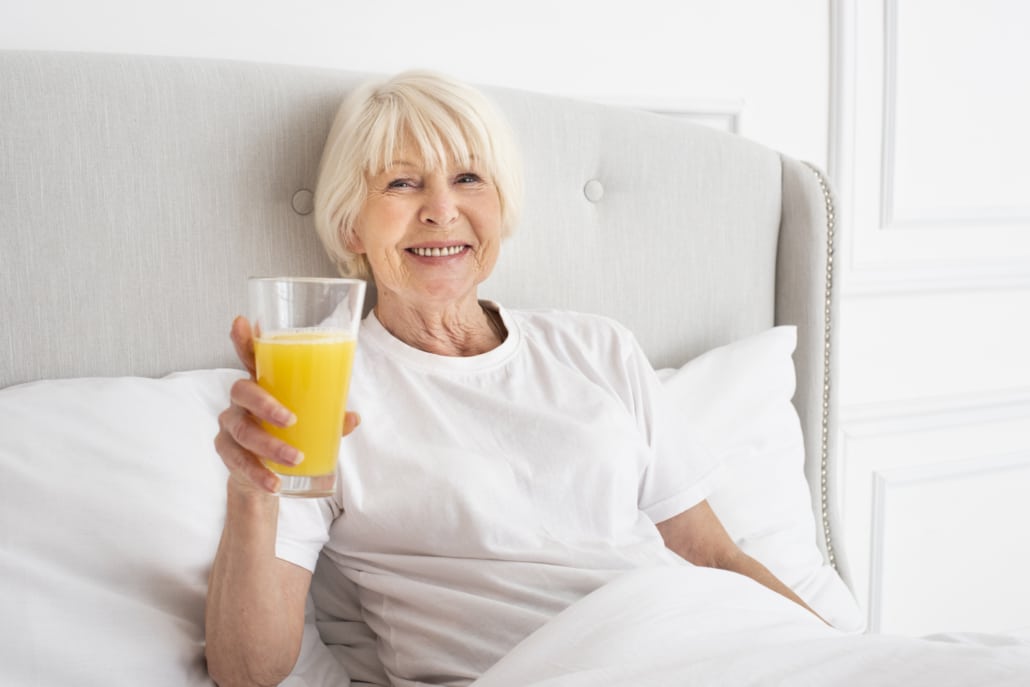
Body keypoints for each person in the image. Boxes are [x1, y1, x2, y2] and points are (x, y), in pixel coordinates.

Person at [204, 70, 822, 687]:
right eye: (402, 183)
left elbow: (713, 554)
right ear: (349, 226)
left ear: (499, 206)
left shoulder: (595, 346)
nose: (442, 211)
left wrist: (829, 653)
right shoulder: (319, 390)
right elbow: (246, 674)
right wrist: (253, 494)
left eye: (468, 178)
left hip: (696, 645)